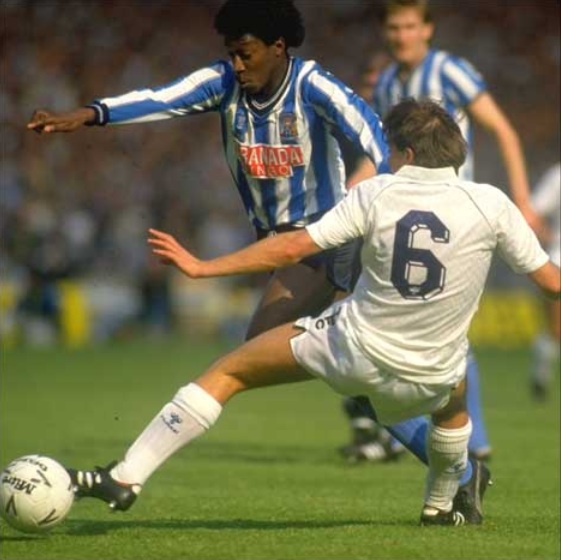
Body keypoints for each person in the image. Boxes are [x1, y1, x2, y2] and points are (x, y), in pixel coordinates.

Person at [66, 99, 560, 527]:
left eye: (390, 148)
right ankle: (442, 504)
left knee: (228, 371)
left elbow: (292, 248)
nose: (386, 156)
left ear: (406, 154)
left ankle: (126, 476)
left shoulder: (376, 191)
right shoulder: (492, 204)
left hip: (352, 350)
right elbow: (551, 283)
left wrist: (203, 267)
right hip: (432, 371)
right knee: (454, 402)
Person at [26, 0, 434, 467]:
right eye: (232, 54)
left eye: (246, 53)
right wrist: (87, 114)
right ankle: (453, 462)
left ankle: (128, 473)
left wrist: (387, 200)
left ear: (278, 48)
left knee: (256, 353)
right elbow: (161, 99)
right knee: (341, 366)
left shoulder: (312, 85)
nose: (237, 65)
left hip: (323, 243)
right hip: (280, 247)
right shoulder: (223, 84)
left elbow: (375, 136)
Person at [340, 0, 547, 464]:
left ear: (427, 29)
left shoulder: (451, 70)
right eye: (394, 26)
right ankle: (461, 438)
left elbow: (503, 130)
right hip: (406, 214)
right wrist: (350, 189)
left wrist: (523, 199)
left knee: (441, 326)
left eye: (411, 25)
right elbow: (377, 153)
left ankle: (431, 434)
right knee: (429, 326)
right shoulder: (389, 82)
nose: (402, 34)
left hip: (457, 214)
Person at [529, 162, 560, 399]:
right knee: (556, 328)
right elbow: (533, 213)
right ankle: (540, 377)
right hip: (559, 261)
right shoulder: (557, 176)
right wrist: (550, 239)